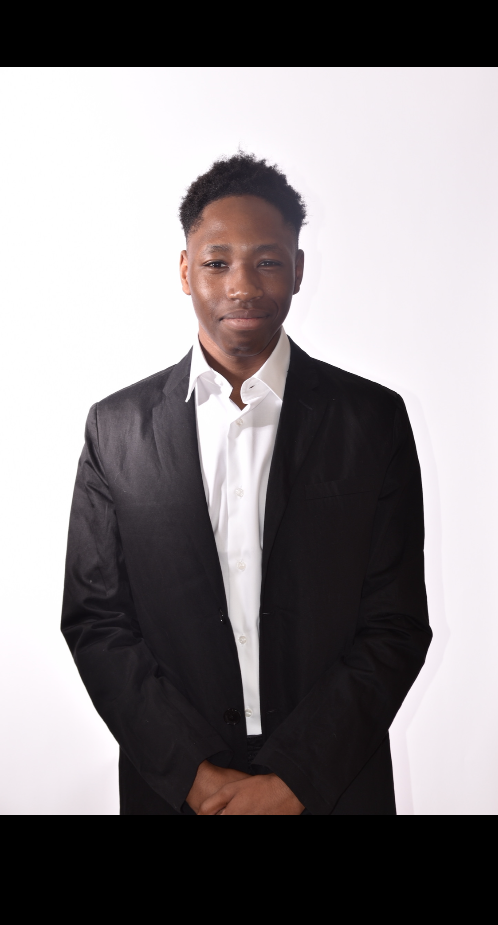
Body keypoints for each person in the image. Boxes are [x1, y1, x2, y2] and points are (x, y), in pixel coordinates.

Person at [62, 153, 432, 815]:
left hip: (333, 787)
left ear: (298, 269)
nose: (242, 285)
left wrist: (296, 780)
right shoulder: (115, 430)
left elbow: (395, 624)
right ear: (184, 270)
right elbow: (97, 622)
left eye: (267, 261)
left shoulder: (371, 420)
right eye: (217, 262)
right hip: (175, 791)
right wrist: (193, 774)